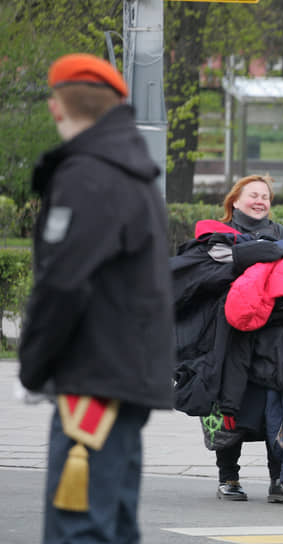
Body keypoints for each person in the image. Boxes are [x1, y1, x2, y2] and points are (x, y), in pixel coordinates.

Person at [17, 53, 175, 543]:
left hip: (93, 378)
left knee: (79, 527)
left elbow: (63, 281)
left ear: (56, 107)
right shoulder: (132, 173)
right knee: (113, 525)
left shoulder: (88, 175)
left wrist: (34, 365)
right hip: (122, 375)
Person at [172, 174, 283, 504]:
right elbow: (207, 276)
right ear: (235, 201)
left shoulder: (280, 235)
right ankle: (228, 476)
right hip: (229, 336)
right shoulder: (219, 235)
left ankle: (280, 479)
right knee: (231, 403)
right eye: (252, 195)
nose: (260, 201)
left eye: (265, 197)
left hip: (276, 337)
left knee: (279, 400)